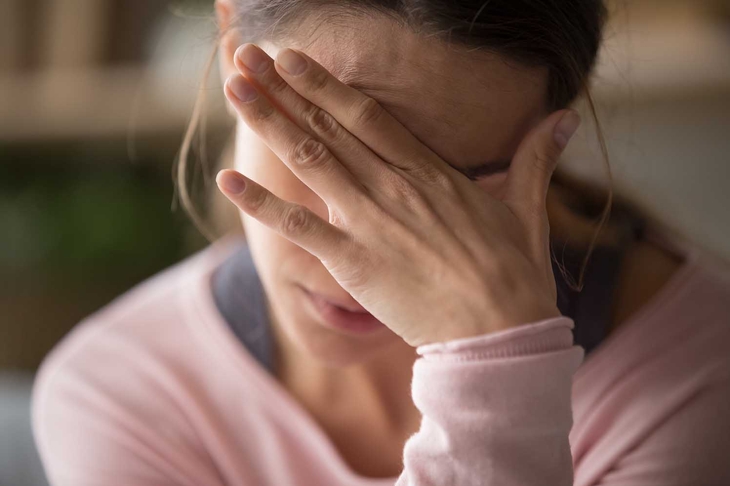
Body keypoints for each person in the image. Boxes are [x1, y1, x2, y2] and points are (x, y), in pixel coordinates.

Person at [31, 0, 730, 484]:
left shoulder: (694, 373)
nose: (356, 252)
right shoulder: (124, 393)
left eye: (456, 183)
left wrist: (495, 362)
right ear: (228, 42)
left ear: (553, 129)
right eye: (323, 146)